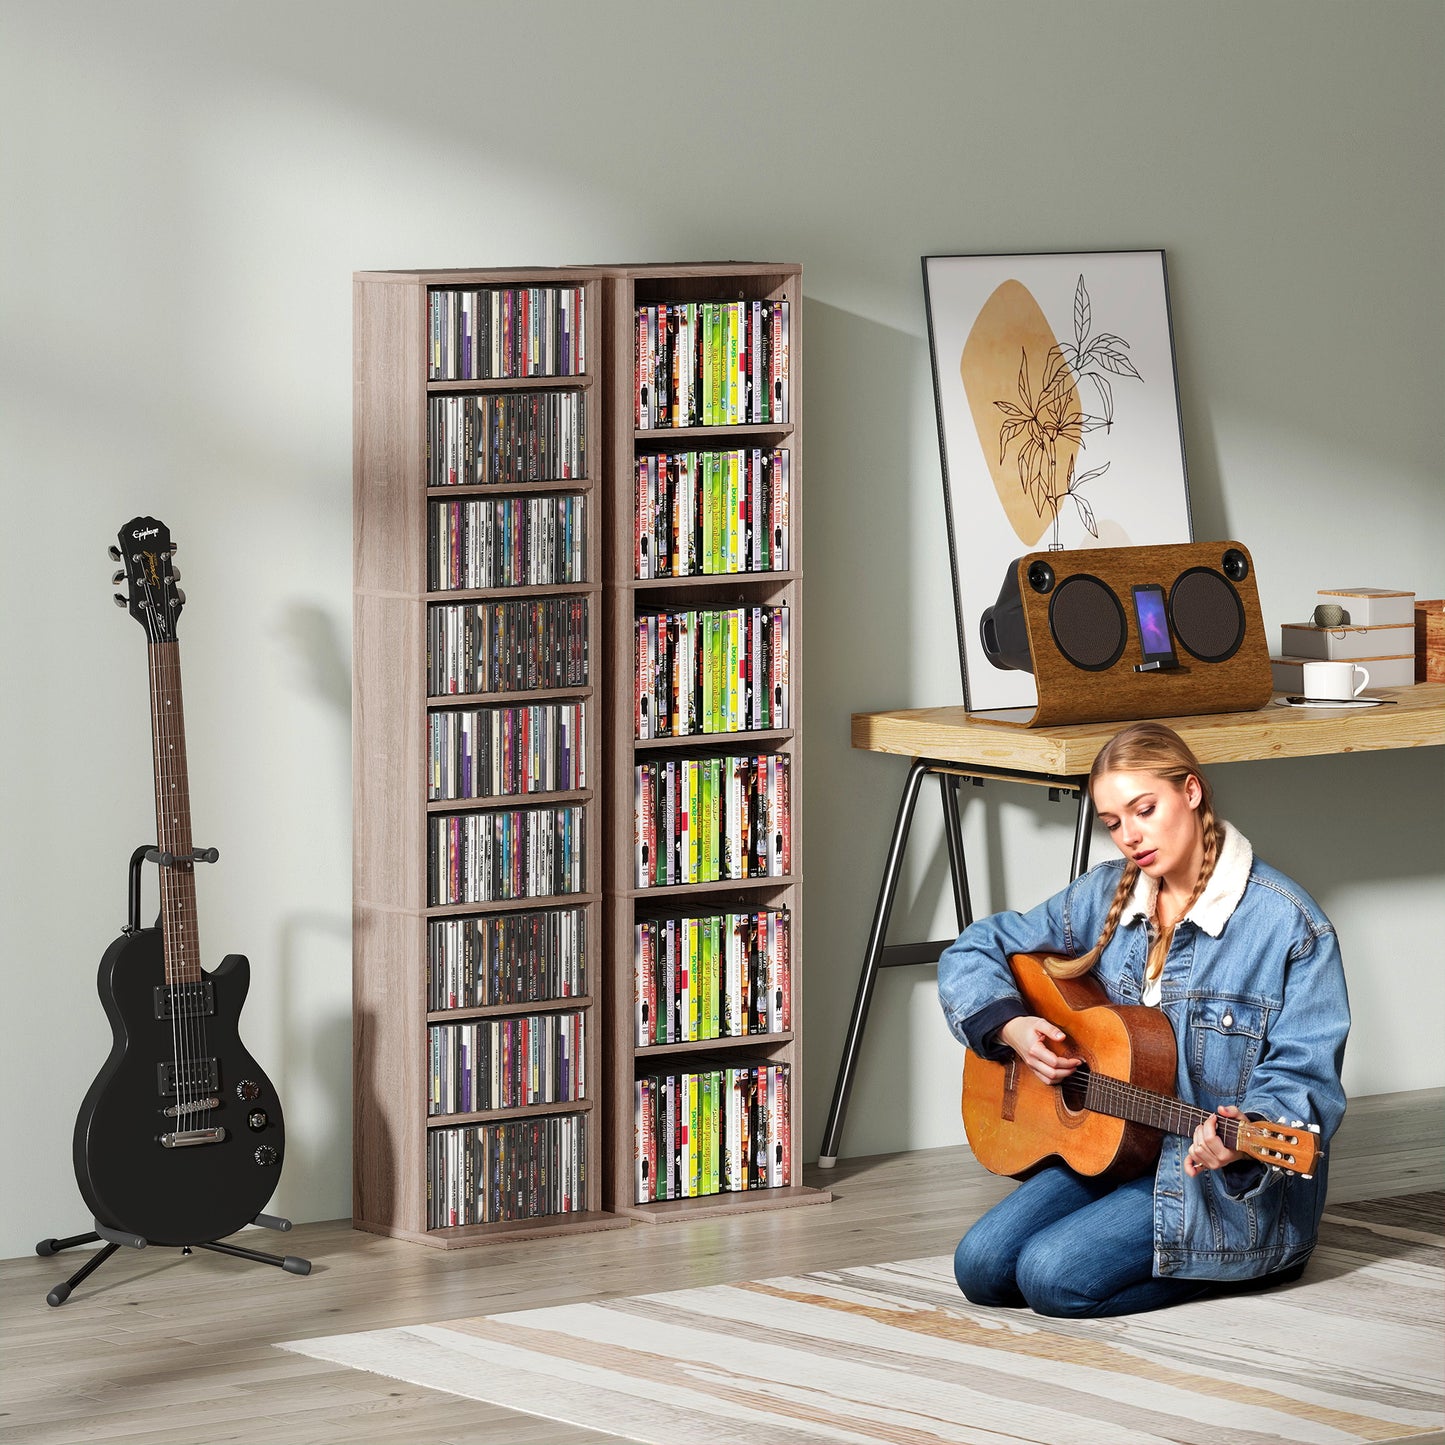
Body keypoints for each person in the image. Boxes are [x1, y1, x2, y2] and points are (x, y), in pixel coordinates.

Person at [937, 721, 1349, 1318]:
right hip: (1115, 1150)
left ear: (1191, 791)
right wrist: (1011, 1029)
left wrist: (1244, 1133)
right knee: (980, 1267)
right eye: (1113, 823)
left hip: (1214, 1184)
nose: (1130, 836)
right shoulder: (1106, 895)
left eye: (1144, 809)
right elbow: (975, 948)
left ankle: (1251, 1262)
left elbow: (1307, 1077)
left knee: (1049, 1277)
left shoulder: (1287, 926)